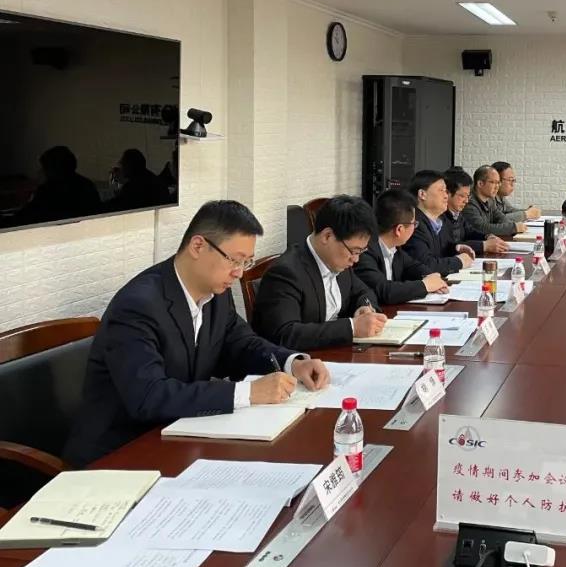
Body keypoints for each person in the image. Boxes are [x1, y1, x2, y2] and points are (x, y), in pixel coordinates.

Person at [63, 201, 331, 467]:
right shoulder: (138, 306)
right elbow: (149, 396)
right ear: (198, 246)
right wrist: (247, 392)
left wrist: (292, 362)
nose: (239, 273)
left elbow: (241, 343)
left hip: (180, 435)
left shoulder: (216, 293)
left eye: (246, 262)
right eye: (234, 260)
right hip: (119, 454)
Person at [252, 195, 387, 351]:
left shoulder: (339, 261)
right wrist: (351, 328)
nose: (355, 259)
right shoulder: (286, 272)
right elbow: (286, 334)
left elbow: (363, 292)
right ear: (327, 236)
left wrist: (364, 308)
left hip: (336, 353)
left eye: (361, 252)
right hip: (302, 360)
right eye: (354, 251)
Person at [355, 189, 450, 304]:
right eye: (414, 224)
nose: (415, 227)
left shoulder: (395, 248)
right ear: (399, 230)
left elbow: (413, 266)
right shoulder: (364, 251)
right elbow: (384, 291)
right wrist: (425, 285)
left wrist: (432, 276)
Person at [403, 170, 475, 276]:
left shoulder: (439, 220)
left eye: (446, 191)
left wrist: (456, 248)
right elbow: (425, 265)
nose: (446, 196)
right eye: (441, 190)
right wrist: (459, 262)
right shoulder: (413, 224)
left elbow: (439, 250)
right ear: (422, 194)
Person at [14, 145, 100, 225]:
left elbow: (26, 217)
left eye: (44, 168)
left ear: (51, 170)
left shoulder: (48, 191)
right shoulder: (86, 184)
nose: (39, 172)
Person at [444, 168, 509, 254]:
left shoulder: (457, 213)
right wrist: (483, 245)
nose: (466, 201)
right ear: (447, 194)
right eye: (462, 196)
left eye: (468, 196)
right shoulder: (440, 216)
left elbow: (470, 232)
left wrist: (487, 236)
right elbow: (449, 246)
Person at [463, 165, 527, 238]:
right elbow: (481, 228)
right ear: (480, 184)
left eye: (498, 183)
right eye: (493, 182)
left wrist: (513, 226)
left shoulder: (490, 200)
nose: (497, 187)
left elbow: (500, 217)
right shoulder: (469, 202)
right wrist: (513, 228)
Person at [106, 148, 172, 211]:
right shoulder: (155, 180)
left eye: (122, 163)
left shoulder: (132, 187)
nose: (121, 167)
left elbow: (117, 205)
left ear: (129, 166)